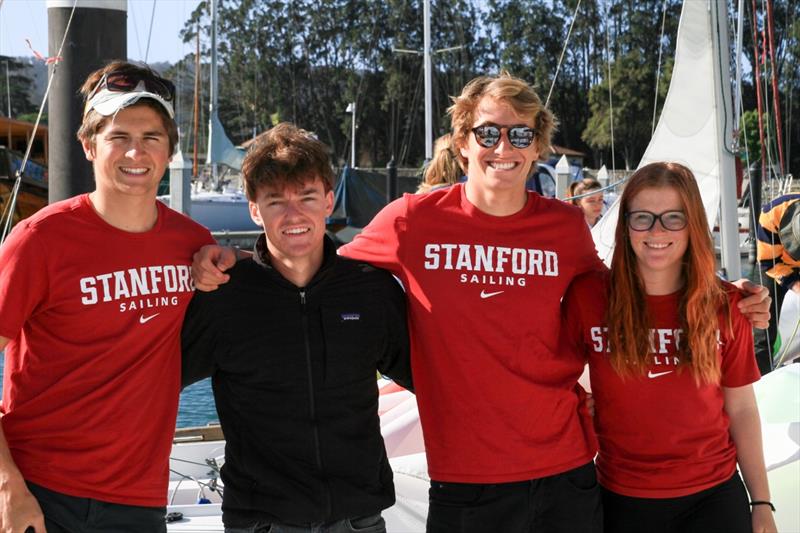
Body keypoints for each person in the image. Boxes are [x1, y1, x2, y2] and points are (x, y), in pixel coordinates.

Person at [192, 73, 771, 533]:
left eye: (520, 135)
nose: (504, 147)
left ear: (537, 146)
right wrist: (235, 261)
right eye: (489, 133)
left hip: (567, 473)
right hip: (465, 482)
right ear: (463, 142)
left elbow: (633, 289)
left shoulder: (566, 227)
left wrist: (729, 298)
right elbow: (316, 261)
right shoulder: (412, 220)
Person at [0, 61, 214, 532]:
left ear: (169, 150)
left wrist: (233, 260)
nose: (135, 151)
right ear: (89, 144)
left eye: (152, 137)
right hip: (39, 493)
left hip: (139, 501)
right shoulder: (39, 240)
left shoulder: (192, 243)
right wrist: (6, 484)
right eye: (118, 135)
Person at [181, 123, 413, 532]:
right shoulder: (223, 296)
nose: (294, 216)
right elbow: (155, 386)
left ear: (327, 201)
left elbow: (431, 377)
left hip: (358, 519)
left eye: (306, 197)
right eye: (276, 202)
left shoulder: (369, 289)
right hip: (263, 522)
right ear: (254, 209)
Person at [562, 162, 777, 533]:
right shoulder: (588, 297)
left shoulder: (729, 305)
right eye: (642, 217)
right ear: (625, 224)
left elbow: (741, 408)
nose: (656, 231)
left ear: (692, 224)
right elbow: (558, 380)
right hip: (619, 499)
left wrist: (761, 502)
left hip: (713, 501)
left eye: (673, 218)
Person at [754, 193, 800, 374]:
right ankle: (760, 381)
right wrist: (796, 285)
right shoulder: (770, 215)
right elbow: (768, 263)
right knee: (763, 328)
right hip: (776, 264)